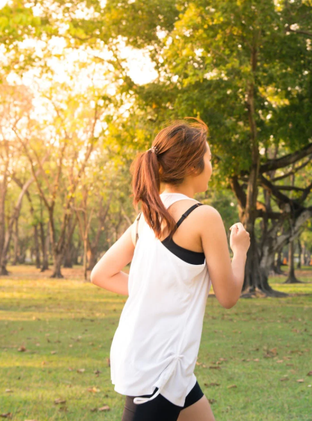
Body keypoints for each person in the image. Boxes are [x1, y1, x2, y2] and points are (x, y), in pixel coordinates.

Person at [91, 119, 250, 421]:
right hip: (157, 368)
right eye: (209, 159)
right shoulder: (204, 216)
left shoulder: (146, 218)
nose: (211, 166)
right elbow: (228, 295)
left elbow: (101, 273)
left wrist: (153, 290)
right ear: (193, 166)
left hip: (163, 361)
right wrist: (239, 251)